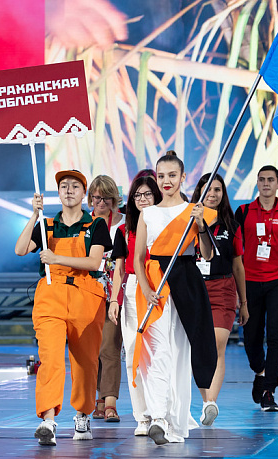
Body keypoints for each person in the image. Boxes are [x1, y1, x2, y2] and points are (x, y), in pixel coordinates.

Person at [14, 169, 113, 446]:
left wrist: (55, 257)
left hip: (85, 296)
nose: (69, 190)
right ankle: (48, 421)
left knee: (86, 362)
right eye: (64, 186)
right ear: (58, 193)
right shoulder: (45, 225)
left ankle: (83, 415)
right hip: (51, 295)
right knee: (51, 359)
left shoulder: (96, 225)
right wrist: (34, 214)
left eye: (75, 186)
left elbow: (94, 263)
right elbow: (20, 249)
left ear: (84, 193)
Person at [133, 150, 218, 444]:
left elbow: (207, 254)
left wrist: (201, 225)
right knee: (158, 351)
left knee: (181, 354)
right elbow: (139, 258)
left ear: (183, 177)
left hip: (186, 281)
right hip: (155, 285)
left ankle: (176, 424)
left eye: (172, 175)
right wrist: (145, 288)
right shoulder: (148, 213)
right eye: (161, 176)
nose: (166, 181)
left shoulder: (195, 210)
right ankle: (158, 417)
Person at [234, 165, 278, 412]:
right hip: (250, 282)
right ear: (257, 183)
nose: (266, 183)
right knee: (251, 338)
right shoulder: (243, 212)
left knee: (276, 336)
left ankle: (269, 390)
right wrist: (235, 290)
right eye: (262, 179)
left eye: (271, 180)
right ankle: (260, 371)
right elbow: (234, 254)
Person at [189, 173, 247, 426]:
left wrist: (244, 302)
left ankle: (211, 401)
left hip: (223, 289)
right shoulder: (187, 221)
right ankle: (206, 402)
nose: (212, 194)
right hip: (193, 290)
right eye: (207, 189)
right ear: (199, 193)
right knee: (199, 349)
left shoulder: (231, 226)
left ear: (223, 194)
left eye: (217, 190)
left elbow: (238, 266)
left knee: (217, 345)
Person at [107, 173, 162, 435]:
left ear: (156, 196)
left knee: (159, 354)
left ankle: (161, 412)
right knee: (132, 355)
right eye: (137, 195)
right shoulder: (123, 231)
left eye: (147, 194)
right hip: (132, 290)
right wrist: (114, 300)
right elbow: (119, 270)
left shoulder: (166, 225)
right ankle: (143, 417)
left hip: (161, 290)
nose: (142, 199)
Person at [87, 175, 125, 423]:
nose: (101, 203)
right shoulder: (83, 224)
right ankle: (98, 399)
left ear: (114, 199)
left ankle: (109, 401)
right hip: (87, 292)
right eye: (97, 198)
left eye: (106, 198)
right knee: (93, 350)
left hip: (115, 292)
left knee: (110, 348)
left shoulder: (124, 223)